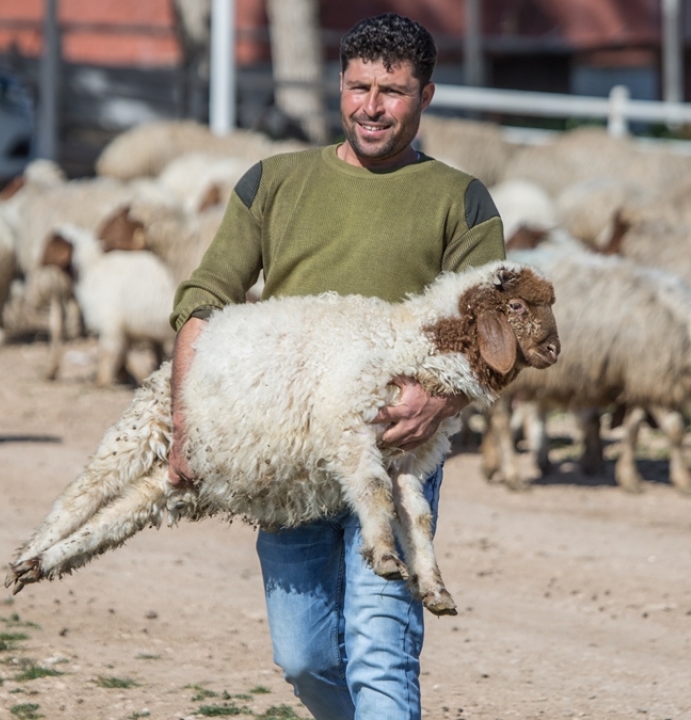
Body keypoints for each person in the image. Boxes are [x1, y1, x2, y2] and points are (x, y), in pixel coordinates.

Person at [166, 13, 505, 720]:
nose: (371, 106)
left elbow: (490, 331)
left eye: (392, 90)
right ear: (339, 87)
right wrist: (183, 421)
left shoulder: (461, 199)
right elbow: (205, 298)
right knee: (304, 655)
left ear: (426, 96)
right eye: (358, 86)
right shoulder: (275, 181)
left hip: (395, 450)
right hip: (288, 449)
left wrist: (437, 403)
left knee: (381, 645)